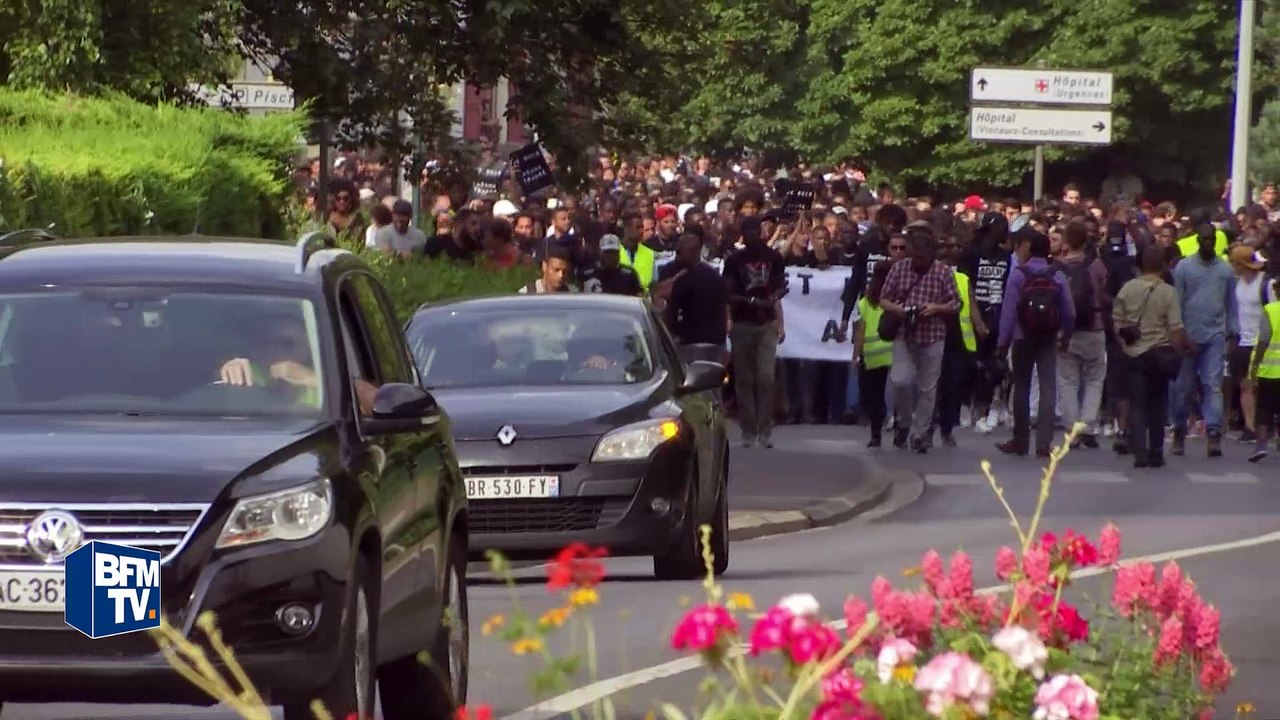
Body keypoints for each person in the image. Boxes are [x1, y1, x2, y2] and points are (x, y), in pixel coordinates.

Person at [879, 225, 958, 453]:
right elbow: (883, 299)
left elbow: (956, 303)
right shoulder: (899, 269)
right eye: (916, 256)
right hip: (904, 333)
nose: (919, 261)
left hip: (933, 335)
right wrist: (899, 309)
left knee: (928, 387)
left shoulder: (943, 271)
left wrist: (935, 308)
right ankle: (903, 422)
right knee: (900, 381)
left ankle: (920, 432)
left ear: (932, 254)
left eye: (923, 257)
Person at [996, 229, 1075, 458]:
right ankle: (1043, 443)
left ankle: (1020, 439)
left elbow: (1009, 312)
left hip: (1022, 336)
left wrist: (1002, 342)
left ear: (1029, 250)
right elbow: (1069, 311)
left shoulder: (1019, 275)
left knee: (1022, 385)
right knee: (1048, 385)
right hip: (1048, 335)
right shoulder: (1057, 275)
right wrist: (1066, 334)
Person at [218, 312, 378, 415]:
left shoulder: (323, 376)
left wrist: (309, 378)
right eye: (268, 343)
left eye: (288, 344)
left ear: (308, 349)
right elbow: (214, 401)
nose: (276, 350)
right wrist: (229, 370)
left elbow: (376, 402)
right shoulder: (251, 372)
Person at [1113, 246, 1186, 468]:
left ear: (1141, 264)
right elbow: (1175, 328)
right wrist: (1176, 352)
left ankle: (1139, 452)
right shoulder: (1168, 292)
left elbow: (1117, 322)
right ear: (1162, 266)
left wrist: (1124, 345)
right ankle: (1156, 451)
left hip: (1134, 353)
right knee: (1157, 404)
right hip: (1160, 353)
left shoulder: (1127, 288)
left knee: (1137, 403)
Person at [1171, 224, 1237, 458]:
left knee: (1212, 385)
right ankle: (1179, 431)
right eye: (1205, 239)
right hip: (1188, 335)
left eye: (1212, 240)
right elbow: (1176, 302)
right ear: (1199, 241)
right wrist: (1179, 332)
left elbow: (1231, 302)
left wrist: (1233, 330)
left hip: (1215, 335)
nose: (1209, 243)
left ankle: (1213, 433)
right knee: (1184, 388)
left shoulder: (1225, 270)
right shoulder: (1184, 267)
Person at [723, 215, 787, 448]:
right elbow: (727, 293)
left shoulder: (774, 257)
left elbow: (780, 288)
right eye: (748, 231)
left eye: (755, 231)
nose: (752, 235)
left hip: (767, 323)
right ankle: (748, 430)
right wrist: (731, 317)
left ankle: (765, 429)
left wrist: (776, 311)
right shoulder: (735, 260)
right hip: (742, 323)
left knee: (766, 378)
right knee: (744, 379)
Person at [853, 261, 894, 447]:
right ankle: (899, 430)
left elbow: (860, 332)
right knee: (894, 395)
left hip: (872, 356)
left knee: (875, 397)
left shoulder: (865, 303)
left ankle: (875, 435)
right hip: (893, 353)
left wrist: (856, 355)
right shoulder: (895, 299)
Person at [1246, 277, 1280, 462]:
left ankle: (1261, 446)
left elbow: (1264, 340)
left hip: (1269, 372)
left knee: (1264, 410)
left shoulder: (1271, 310)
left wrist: (1254, 367)